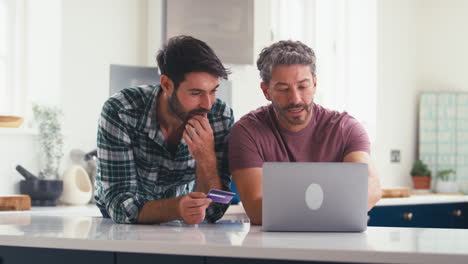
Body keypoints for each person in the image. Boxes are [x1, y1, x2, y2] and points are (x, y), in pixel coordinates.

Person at [228, 40, 382, 225]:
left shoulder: (346, 129)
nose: (295, 99)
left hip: (340, 245)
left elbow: (370, 187)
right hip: (276, 248)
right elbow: (257, 209)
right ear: (266, 91)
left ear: (315, 83)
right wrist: (340, 206)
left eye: (303, 86)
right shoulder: (247, 132)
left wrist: (291, 208)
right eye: (283, 89)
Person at [95, 35, 234, 225]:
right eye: (196, 93)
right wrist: (177, 208)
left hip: (179, 225)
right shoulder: (121, 111)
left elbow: (216, 208)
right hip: (121, 229)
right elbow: (120, 205)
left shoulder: (221, 118)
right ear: (167, 84)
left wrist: (206, 158)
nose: (207, 104)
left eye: (213, 91)